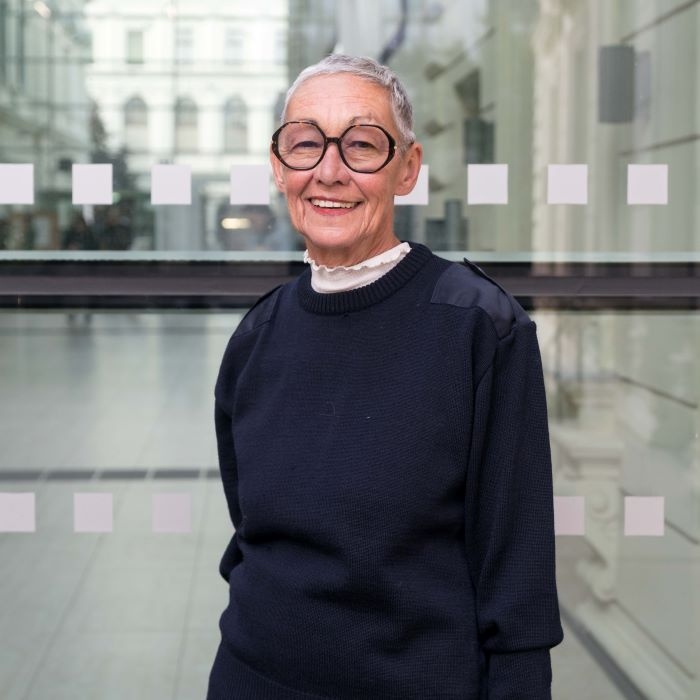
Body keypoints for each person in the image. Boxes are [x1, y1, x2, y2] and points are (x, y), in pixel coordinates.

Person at [208, 54, 563, 699]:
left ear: (408, 168)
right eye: (305, 143)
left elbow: (517, 564)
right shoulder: (257, 335)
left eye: (363, 144)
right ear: (278, 165)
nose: (330, 171)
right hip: (252, 678)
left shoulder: (479, 326)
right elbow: (252, 527)